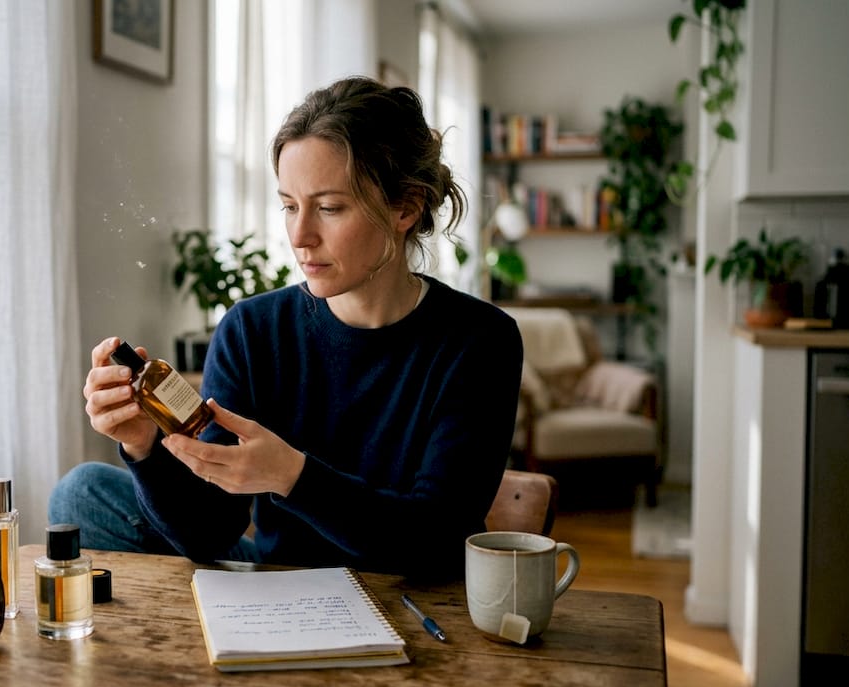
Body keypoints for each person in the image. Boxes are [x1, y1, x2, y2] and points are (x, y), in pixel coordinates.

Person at [50, 76, 523, 579]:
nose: (300, 236)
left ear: (405, 206)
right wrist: (143, 445)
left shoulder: (479, 341)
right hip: (282, 581)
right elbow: (212, 533)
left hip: (409, 594)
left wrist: (293, 477)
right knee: (81, 493)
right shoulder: (252, 330)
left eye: (330, 207)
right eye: (290, 206)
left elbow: (435, 539)